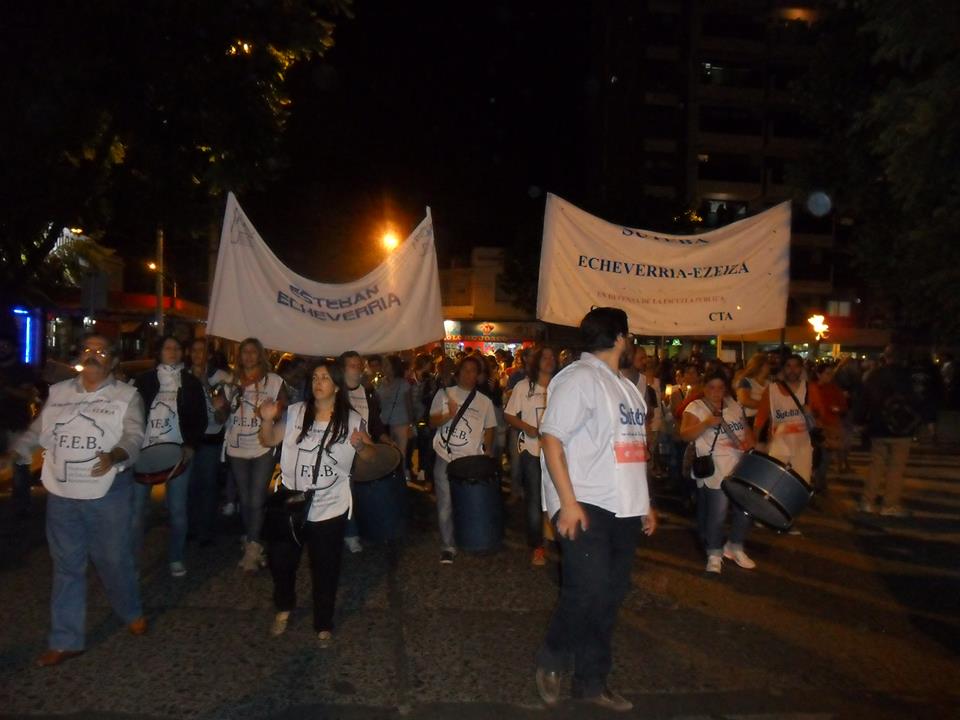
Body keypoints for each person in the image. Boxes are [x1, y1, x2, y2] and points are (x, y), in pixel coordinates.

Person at [535, 308, 657, 712]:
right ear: (620, 337)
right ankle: (552, 657)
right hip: (585, 502)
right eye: (629, 336)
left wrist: (645, 502)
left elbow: (634, 448)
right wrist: (567, 503)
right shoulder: (578, 378)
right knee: (586, 589)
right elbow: (551, 440)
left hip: (625, 507)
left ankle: (591, 681)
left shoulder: (627, 387)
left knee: (609, 597)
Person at [6, 335, 147, 667]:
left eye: (101, 351)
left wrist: (115, 454)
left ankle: (130, 610)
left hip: (107, 492)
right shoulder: (59, 393)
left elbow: (134, 436)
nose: (93, 355)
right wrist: (16, 452)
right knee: (67, 565)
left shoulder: (126, 396)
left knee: (112, 559)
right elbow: (37, 432)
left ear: (113, 361)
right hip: (62, 493)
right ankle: (66, 639)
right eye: (88, 350)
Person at [257, 360, 376, 646]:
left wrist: (362, 446)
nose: (317, 382)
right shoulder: (296, 412)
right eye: (314, 377)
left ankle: (323, 622)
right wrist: (266, 419)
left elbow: (372, 457)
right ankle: (284, 606)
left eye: (324, 378)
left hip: (330, 505)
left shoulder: (352, 420)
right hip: (292, 502)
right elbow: (268, 440)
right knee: (281, 562)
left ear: (336, 385)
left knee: (325, 567)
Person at [131, 336, 208, 577]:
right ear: (159, 352)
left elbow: (200, 418)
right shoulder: (143, 380)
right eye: (168, 347)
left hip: (178, 453)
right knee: (136, 514)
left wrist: (191, 445)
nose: (173, 351)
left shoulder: (191, 383)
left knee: (178, 511)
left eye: (177, 348)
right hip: (144, 452)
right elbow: (129, 415)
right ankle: (132, 562)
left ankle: (176, 556)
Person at [680, 371, 755, 574]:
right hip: (715, 468)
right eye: (711, 387)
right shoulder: (696, 407)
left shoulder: (734, 406)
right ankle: (714, 553)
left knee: (744, 509)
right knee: (718, 514)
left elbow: (747, 430)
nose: (716, 392)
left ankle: (735, 545)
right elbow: (684, 434)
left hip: (739, 466)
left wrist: (750, 445)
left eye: (720, 387)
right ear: (704, 387)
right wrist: (705, 423)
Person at [223, 337, 287, 572]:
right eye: (245, 352)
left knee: (257, 498)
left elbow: (284, 409)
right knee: (245, 497)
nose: (249, 356)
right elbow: (223, 416)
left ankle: (252, 547)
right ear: (239, 356)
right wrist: (220, 405)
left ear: (260, 355)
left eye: (253, 351)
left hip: (263, 445)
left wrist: (271, 413)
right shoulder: (231, 382)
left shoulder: (274, 381)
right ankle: (253, 538)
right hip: (237, 446)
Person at [429, 355, 498, 565]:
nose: (469, 374)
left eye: (473, 371)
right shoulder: (444, 393)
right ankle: (448, 546)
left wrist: (487, 449)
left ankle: (470, 536)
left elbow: (490, 427)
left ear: (478, 375)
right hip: (445, 455)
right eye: (466, 370)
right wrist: (448, 415)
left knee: (469, 501)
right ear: (458, 372)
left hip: (471, 460)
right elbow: (432, 421)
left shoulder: (484, 401)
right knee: (445, 503)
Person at [504, 347, 556, 566]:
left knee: (555, 496)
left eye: (552, 357)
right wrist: (527, 427)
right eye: (545, 357)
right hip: (532, 450)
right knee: (534, 498)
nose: (549, 360)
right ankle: (537, 546)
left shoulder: (560, 386)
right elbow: (509, 414)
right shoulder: (523, 387)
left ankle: (553, 538)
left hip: (556, 453)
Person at [855, 345, 921, 516]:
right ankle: (889, 504)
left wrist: (860, 421)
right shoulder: (909, 376)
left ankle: (867, 501)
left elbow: (863, 399)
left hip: (878, 425)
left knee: (876, 465)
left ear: (886, 357)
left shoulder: (875, 375)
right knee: (896, 468)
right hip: (902, 427)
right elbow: (919, 401)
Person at [340, 350, 390, 553]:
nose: (357, 369)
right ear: (343, 369)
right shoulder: (335, 392)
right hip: (342, 450)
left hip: (363, 448)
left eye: (359, 365)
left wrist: (386, 439)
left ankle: (365, 529)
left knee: (363, 490)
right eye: (352, 365)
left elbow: (374, 421)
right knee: (349, 490)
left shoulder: (367, 392)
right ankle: (351, 534)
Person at [187, 338, 231, 545]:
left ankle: (205, 530)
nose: (198, 354)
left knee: (207, 486)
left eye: (202, 351)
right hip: (187, 438)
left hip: (210, 437)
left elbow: (222, 413)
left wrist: (205, 383)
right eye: (194, 350)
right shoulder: (183, 375)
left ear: (210, 355)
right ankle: (189, 527)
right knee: (189, 486)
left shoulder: (221, 377)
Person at [754, 354, 824, 485]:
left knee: (802, 482)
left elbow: (821, 416)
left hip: (803, 446)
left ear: (801, 369)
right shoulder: (771, 390)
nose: (792, 370)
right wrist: (758, 443)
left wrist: (811, 413)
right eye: (788, 366)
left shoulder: (810, 389)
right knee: (774, 482)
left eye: (796, 366)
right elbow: (761, 418)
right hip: (778, 444)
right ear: (783, 368)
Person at [377, 354, 415, 480]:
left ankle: (400, 478)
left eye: (387, 365)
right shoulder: (382, 382)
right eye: (384, 365)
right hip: (385, 422)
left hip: (401, 423)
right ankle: (389, 478)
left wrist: (411, 425)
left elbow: (409, 405)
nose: (384, 367)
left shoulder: (403, 384)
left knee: (400, 453)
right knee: (386, 453)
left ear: (394, 367)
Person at [813, 362, 848, 494]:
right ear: (819, 374)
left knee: (825, 457)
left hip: (831, 427)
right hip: (817, 427)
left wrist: (837, 409)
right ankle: (819, 482)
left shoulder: (834, 389)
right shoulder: (812, 388)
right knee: (819, 456)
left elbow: (843, 406)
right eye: (827, 373)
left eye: (831, 373)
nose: (830, 376)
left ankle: (820, 483)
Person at [734, 353, 771, 429]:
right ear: (760, 366)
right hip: (749, 419)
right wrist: (766, 406)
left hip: (765, 418)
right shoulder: (746, 381)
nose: (769, 367)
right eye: (767, 364)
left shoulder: (769, 383)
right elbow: (745, 400)